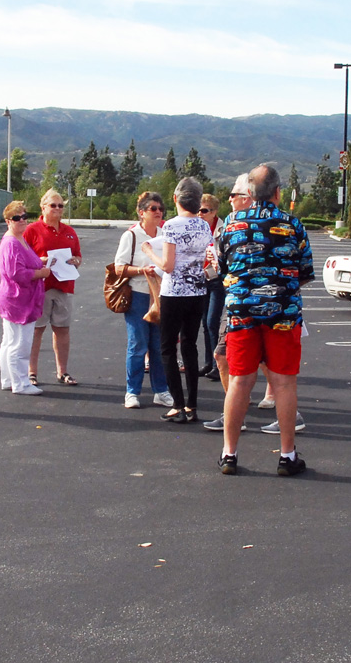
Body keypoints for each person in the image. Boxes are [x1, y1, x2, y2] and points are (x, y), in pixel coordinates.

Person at [215, 164, 314, 476]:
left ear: (249, 193)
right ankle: (287, 455)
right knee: (283, 382)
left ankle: (229, 454)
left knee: (240, 381)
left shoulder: (230, 224)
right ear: (277, 192)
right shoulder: (293, 225)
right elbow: (305, 273)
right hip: (282, 313)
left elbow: (221, 269)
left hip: (241, 313)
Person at [142, 177, 212, 423]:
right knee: (190, 346)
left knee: (167, 348)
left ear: (175, 199)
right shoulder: (205, 226)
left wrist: (149, 251)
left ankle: (178, 404)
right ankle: (192, 404)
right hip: (197, 292)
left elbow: (168, 266)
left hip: (174, 293)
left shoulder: (171, 226)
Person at [116, 192, 174, 409]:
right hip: (139, 295)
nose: (158, 212)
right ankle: (132, 392)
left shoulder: (165, 234)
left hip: (161, 295)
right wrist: (142, 270)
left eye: (160, 208)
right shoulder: (131, 236)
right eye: (153, 209)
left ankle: (161, 390)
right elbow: (119, 268)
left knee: (159, 346)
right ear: (141, 213)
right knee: (138, 345)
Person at [24, 189, 82, 386]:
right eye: (53, 205)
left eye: (60, 206)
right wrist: (39, 261)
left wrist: (75, 261)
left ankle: (62, 372)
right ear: (43, 207)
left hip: (64, 286)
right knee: (36, 330)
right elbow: (22, 257)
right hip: (40, 287)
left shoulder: (70, 232)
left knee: (62, 329)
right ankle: (31, 372)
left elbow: (78, 257)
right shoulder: (32, 230)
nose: (57, 209)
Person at [0, 200, 50, 396]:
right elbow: (15, 273)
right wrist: (40, 274)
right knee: (20, 343)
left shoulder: (20, 239)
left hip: (18, 297)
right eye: (17, 218)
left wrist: (39, 262)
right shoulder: (11, 242)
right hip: (17, 299)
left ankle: (8, 379)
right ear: (8, 221)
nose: (22, 221)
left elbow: (25, 262)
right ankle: (20, 383)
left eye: (25, 216)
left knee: (10, 341)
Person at [198, 192, 224, 381]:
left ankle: (217, 364)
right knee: (205, 324)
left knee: (212, 321)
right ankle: (208, 362)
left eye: (204, 210)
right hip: (202, 279)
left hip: (218, 280)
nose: (200, 213)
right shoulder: (198, 228)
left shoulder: (223, 229)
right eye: (198, 209)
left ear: (214, 212)